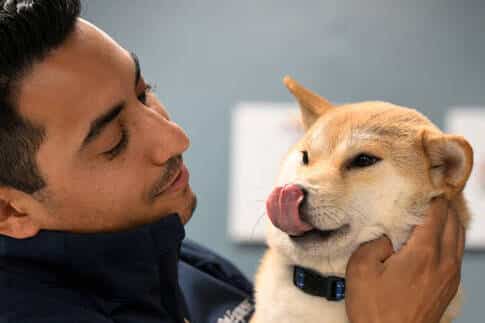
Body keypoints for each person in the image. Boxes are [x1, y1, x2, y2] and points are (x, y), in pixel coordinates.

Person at [0, 1, 465, 322]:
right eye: (114, 141)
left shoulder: (183, 262)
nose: (174, 137)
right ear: (11, 210)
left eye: (145, 92)